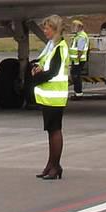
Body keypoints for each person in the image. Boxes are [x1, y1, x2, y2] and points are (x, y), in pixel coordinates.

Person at [29, 15, 70, 180]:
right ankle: (51, 165)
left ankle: (55, 167)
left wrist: (35, 79)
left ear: (54, 29)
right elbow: (43, 62)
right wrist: (35, 68)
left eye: (46, 28)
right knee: (51, 131)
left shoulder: (60, 48)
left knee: (55, 131)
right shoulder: (52, 46)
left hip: (55, 97)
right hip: (48, 97)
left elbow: (53, 71)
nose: (44, 31)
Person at [69, 19, 90, 98]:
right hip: (77, 60)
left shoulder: (81, 37)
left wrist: (76, 60)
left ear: (80, 27)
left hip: (78, 61)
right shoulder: (78, 36)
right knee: (75, 76)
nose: (72, 27)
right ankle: (77, 92)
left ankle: (78, 93)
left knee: (76, 76)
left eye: (74, 26)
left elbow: (80, 50)